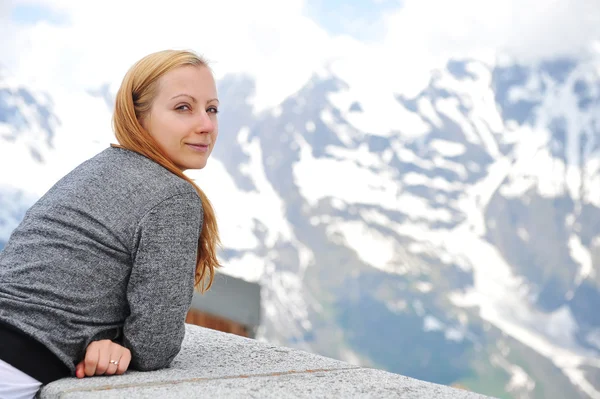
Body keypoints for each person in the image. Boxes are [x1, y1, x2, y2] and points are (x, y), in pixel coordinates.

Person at [0, 49, 221, 398]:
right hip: (14, 368)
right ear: (138, 116)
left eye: (211, 109)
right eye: (183, 107)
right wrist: (113, 343)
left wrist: (105, 339)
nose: (206, 124)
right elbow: (155, 345)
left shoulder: (95, 169)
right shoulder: (172, 198)